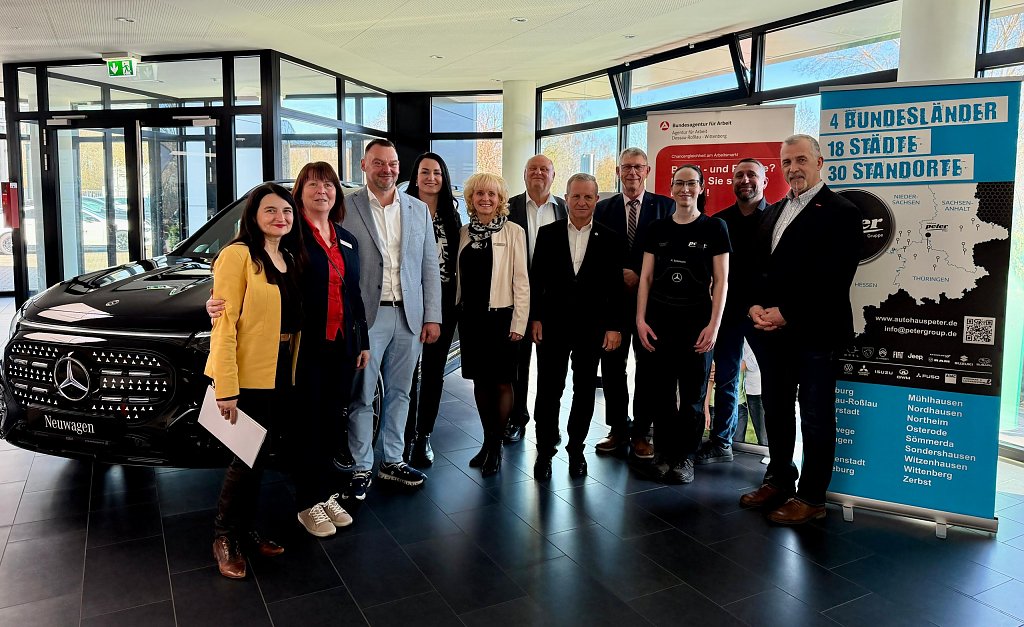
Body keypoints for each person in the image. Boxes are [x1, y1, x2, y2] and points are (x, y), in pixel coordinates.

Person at [206, 163, 371, 539]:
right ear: (300, 195)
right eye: (313, 185)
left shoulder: (346, 239)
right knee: (301, 431)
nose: (322, 191)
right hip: (304, 351)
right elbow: (243, 290)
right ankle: (307, 502)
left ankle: (325, 494)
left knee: (331, 425)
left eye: (328, 185)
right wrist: (213, 303)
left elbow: (354, 293)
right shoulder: (293, 241)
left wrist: (361, 340)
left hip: (340, 347)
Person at [739, 134, 861, 525]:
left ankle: (811, 497)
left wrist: (786, 313)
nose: (793, 168)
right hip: (772, 336)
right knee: (776, 411)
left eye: (801, 160)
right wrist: (754, 306)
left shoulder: (841, 211)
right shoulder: (774, 210)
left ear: (819, 162)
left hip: (816, 334)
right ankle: (778, 480)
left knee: (815, 417)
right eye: (787, 162)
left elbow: (834, 278)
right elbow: (756, 268)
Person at [206, 183, 304, 579]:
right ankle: (224, 537)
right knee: (244, 457)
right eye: (271, 211)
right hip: (247, 374)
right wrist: (226, 386)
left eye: (287, 211)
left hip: (280, 370)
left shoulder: (287, 257)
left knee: (260, 456)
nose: (280, 218)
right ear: (253, 215)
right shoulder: (238, 255)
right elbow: (224, 323)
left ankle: (245, 530)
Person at [343, 139, 442, 498]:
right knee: (362, 394)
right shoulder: (346, 207)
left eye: (393, 163)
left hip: (409, 317)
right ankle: (361, 465)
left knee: (401, 392)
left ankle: (392, 460)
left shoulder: (418, 209)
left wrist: (432, 316)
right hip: (368, 317)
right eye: (379, 163)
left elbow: (429, 266)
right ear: (364, 165)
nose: (387, 170)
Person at [635, 165, 730, 484]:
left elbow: (722, 281)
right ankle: (663, 455)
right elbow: (646, 278)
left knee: (692, 397)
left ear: (701, 188)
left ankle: (685, 458)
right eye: (679, 183)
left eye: (691, 183)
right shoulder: (657, 228)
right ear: (671, 188)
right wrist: (640, 319)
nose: (684, 189)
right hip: (659, 322)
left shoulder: (714, 227)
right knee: (661, 393)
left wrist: (714, 326)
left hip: (697, 323)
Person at [529, 173, 624, 480]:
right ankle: (545, 450)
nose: (582, 202)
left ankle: (576, 449)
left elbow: (616, 288)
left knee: (584, 391)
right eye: (576, 196)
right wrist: (536, 318)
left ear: (596, 200)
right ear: (566, 198)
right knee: (548, 390)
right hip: (552, 326)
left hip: (591, 328)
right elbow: (537, 280)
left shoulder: (611, 238)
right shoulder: (548, 234)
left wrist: (614, 326)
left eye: (588, 197)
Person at [593, 148, 674, 459]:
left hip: (651, 306)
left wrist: (641, 275)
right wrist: (620, 274)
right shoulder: (603, 208)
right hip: (612, 304)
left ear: (647, 170)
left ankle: (641, 432)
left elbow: (672, 254)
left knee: (648, 370)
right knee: (612, 369)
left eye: (638, 167)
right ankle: (617, 428)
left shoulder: (665, 207)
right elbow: (596, 255)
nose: (632, 172)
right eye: (626, 167)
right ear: (618, 171)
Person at [696, 158, 769, 465]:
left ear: (764, 181)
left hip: (766, 316)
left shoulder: (776, 219)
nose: (745, 180)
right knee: (726, 378)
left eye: (751, 174)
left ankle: (779, 453)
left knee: (774, 384)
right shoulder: (720, 222)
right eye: (739, 175)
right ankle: (722, 442)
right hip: (728, 313)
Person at [456, 172, 529, 476]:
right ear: (471, 198)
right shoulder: (463, 232)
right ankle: (487, 442)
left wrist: (520, 322)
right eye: (480, 193)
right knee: (480, 382)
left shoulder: (513, 232)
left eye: (492, 194)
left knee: (501, 382)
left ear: (500, 200)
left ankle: (496, 447)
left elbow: (522, 280)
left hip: (502, 318)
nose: (485, 199)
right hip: (471, 320)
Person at [403, 152, 462, 467]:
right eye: (425, 172)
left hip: (444, 305)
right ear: (415, 176)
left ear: (444, 177)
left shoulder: (452, 215)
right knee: (406, 373)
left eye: (437, 172)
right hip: (409, 303)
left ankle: (423, 434)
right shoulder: (402, 210)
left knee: (434, 372)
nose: (431, 178)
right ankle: (403, 434)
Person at [504, 155, 567, 444]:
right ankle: (516, 419)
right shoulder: (508, 208)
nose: (538, 173)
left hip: (553, 303)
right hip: (515, 298)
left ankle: (548, 424)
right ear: (524, 174)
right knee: (517, 365)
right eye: (533, 169)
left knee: (551, 370)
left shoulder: (565, 209)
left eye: (544, 169)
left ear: (553, 175)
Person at [734, 340, 766, 446]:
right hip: (749, 390)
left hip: (759, 389)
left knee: (764, 438)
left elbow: (755, 360)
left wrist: (729, 367)